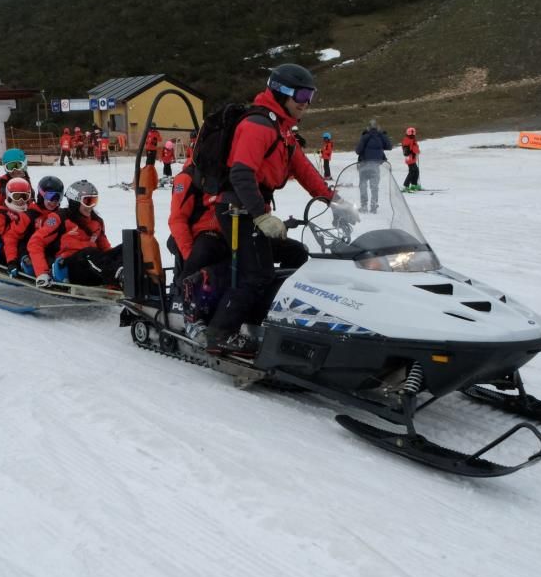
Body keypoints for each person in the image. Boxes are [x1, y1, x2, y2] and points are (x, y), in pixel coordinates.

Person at [205, 63, 359, 357]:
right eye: (302, 94)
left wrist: (336, 202)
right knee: (256, 273)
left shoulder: (282, 130)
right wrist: (261, 216)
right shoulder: (257, 125)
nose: (306, 103)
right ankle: (220, 333)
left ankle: (269, 314)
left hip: (252, 207)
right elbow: (240, 174)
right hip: (236, 209)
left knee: (296, 254)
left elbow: (305, 171)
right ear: (281, 92)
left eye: (311, 95)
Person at [43, 180, 123, 287]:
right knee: (88, 253)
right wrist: (42, 272)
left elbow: (105, 249)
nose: (91, 206)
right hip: (70, 268)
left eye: (94, 201)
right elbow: (36, 243)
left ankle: (135, 277)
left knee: (128, 246)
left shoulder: (96, 221)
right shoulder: (59, 218)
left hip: (92, 267)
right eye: (88, 201)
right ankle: (118, 277)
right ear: (75, 202)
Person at [167, 165, 228, 281]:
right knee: (203, 253)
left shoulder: (227, 171)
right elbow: (177, 219)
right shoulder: (187, 178)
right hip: (196, 236)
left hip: (225, 232)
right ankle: (183, 291)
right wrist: (190, 255)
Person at [1, 176, 65, 277]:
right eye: (50, 197)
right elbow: (10, 237)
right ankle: (25, 262)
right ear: (41, 195)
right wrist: (11, 261)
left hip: (51, 251)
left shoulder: (60, 216)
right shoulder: (29, 216)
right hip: (31, 252)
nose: (54, 202)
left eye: (58, 197)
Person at [354, 118, 392, 212]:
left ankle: (364, 206)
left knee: (363, 185)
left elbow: (358, 151)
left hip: (364, 165)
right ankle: (374, 205)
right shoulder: (380, 137)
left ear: (368, 128)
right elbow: (389, 146)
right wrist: (383, 134)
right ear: (377, 127)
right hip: (376, 165)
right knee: (374, 186)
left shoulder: (365, 137)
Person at [0, 148, 31, 217]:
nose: (14, 170)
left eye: (18, 165)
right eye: (10, 167)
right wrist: (0, 193)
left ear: (24, 165)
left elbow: (30, 203)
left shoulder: (26, 182)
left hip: (23, 219)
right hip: (5, 219)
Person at [401, 127, 421, 191]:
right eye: (411, 134)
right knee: (412, 171)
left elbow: (414, 147)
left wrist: (417, 151)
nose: (412, 135)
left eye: (413, 134)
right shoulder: (407, 140)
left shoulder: (412, 139)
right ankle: (406, 186)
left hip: (412, 158)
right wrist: (416, 151)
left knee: (416, 171)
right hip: (410, 158)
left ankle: (413, 185)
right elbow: (410, 149)